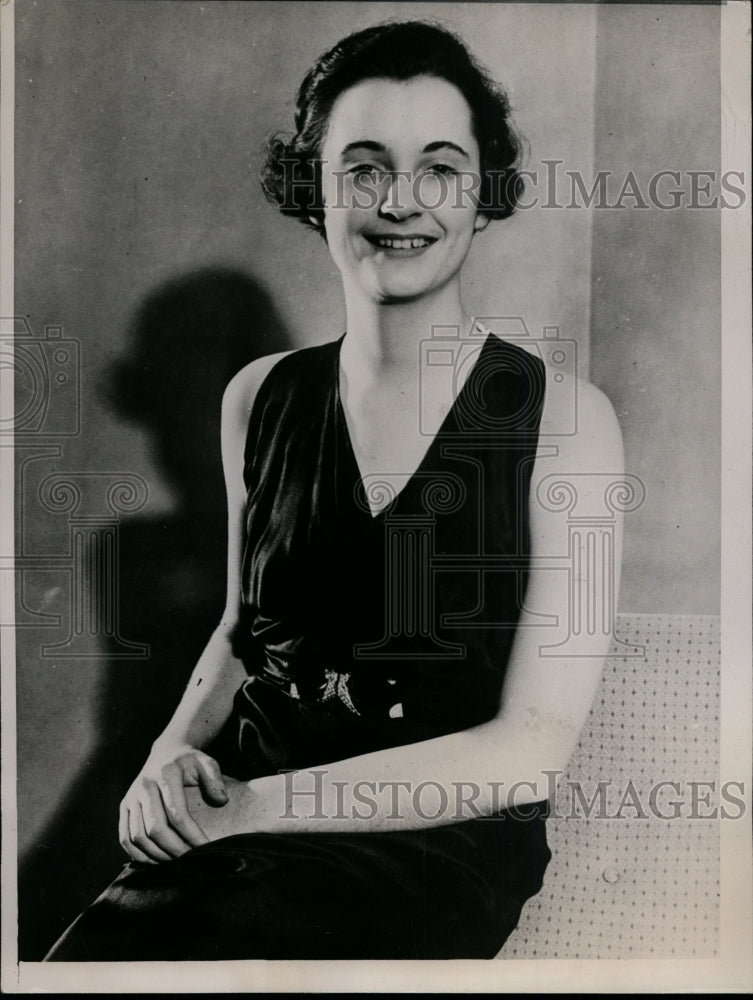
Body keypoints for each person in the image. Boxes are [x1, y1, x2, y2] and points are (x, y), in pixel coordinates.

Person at [45, 20, 623, 961]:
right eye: (363, 168)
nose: (400, 201)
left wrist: (249, 812)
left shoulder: (567, 421)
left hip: (426, 847)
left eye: (439, 167)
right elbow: (240, 632)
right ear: (311, 188)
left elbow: (530, 749)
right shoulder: (258, 396)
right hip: (235, 822)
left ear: (485, 195)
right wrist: (166, 757)